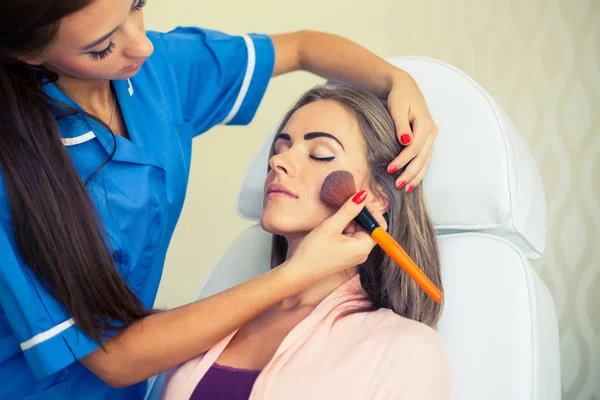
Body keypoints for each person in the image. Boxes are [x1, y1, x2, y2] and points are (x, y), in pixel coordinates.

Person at [0, 0, 440, 398]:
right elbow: (115, 357)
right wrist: (295, 274)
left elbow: (303, 47)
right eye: (101, 47)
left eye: (136, 6)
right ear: (28, 54)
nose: (142, 46)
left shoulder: (160, 73)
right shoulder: (13, 171)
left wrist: (397, 80)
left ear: (379, 197)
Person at [162, 85, 452, 400]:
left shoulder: (406, 349)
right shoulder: (214, 321)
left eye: (320, 154)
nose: (278, 162)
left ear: (375, 198)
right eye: (279, 149)